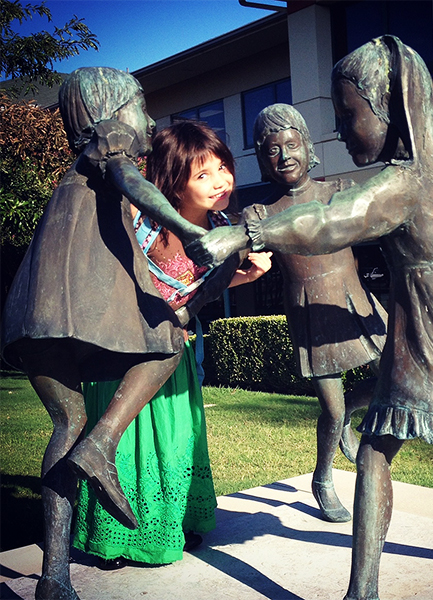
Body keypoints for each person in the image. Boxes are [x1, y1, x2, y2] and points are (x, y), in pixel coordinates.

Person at [192, 36, 433, 600]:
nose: (341, 132)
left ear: (388, 110)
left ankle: (379, 588)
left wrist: (244, 234)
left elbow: (331, 221)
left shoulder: (402, 183)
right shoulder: (432, 174)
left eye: (349, 116)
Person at [0, 67, 216, 600]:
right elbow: (134, 183)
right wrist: (188, 229)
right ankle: (103, 444)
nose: (149, 120)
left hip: (35, 311)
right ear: (111, 112)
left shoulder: (76, 169)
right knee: (168, 341)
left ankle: (54, 576)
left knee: (66, 423)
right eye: (141, 106)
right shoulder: (110, 143)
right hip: (75, 305)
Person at [73, 120, 272, 568]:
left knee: (176, 439)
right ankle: (118, 538)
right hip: (123, 353)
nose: (220, 181)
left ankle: (175, 522)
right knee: (125, 444)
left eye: (223, 168)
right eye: (203, 174)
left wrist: (245, 277)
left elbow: (197, 288)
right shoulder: (142, 224)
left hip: (173, 354)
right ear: (172, 183)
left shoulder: (224, 228)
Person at [247, 104, 386, 522]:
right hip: (311, 314)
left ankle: (350, 416)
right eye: (273, 150)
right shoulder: (261, 215)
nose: (284, 156)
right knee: (332, 408)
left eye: (292, 145)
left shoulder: (339, 191)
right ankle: (323, 477)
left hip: (356, 302)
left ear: (308, 147)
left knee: (396, 378)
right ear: (262, 159)